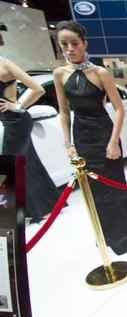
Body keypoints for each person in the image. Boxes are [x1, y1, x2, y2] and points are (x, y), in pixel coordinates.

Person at [53, 21, 127, 255]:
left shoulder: (100, 73)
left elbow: (119, 109)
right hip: (82, 134)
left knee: (114, 187)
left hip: (104, 133)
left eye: (74, 43)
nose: (69, 49)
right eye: (64, 44)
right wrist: (68, 143)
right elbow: (64, 111)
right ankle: (105, 236)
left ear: (84, 44)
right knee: (94, 191)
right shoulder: (59, 74)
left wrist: (113, 141)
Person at [0, 21, 64, 224]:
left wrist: (17, 106)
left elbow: (37, 88)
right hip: (7, 121)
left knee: (11, 166)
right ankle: (42, 208)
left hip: (16, 121)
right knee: (27, 164)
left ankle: (16, 213)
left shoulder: (6, 64)